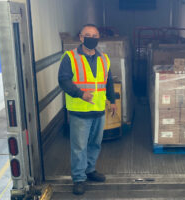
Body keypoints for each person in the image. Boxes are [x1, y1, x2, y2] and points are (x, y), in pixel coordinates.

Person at [58, 24, 116, 195]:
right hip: (80, 111)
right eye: (88, 35)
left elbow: (109, 81)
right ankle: (78, 178)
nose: (92, 37)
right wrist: (79, 93)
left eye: (95, 35)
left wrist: (112, 101)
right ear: (81, 38)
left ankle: (90, 170)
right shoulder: (70, 57)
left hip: (98, 110)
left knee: (95, 144)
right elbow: (63, 80)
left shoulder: (104, 58)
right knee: (79, 147)